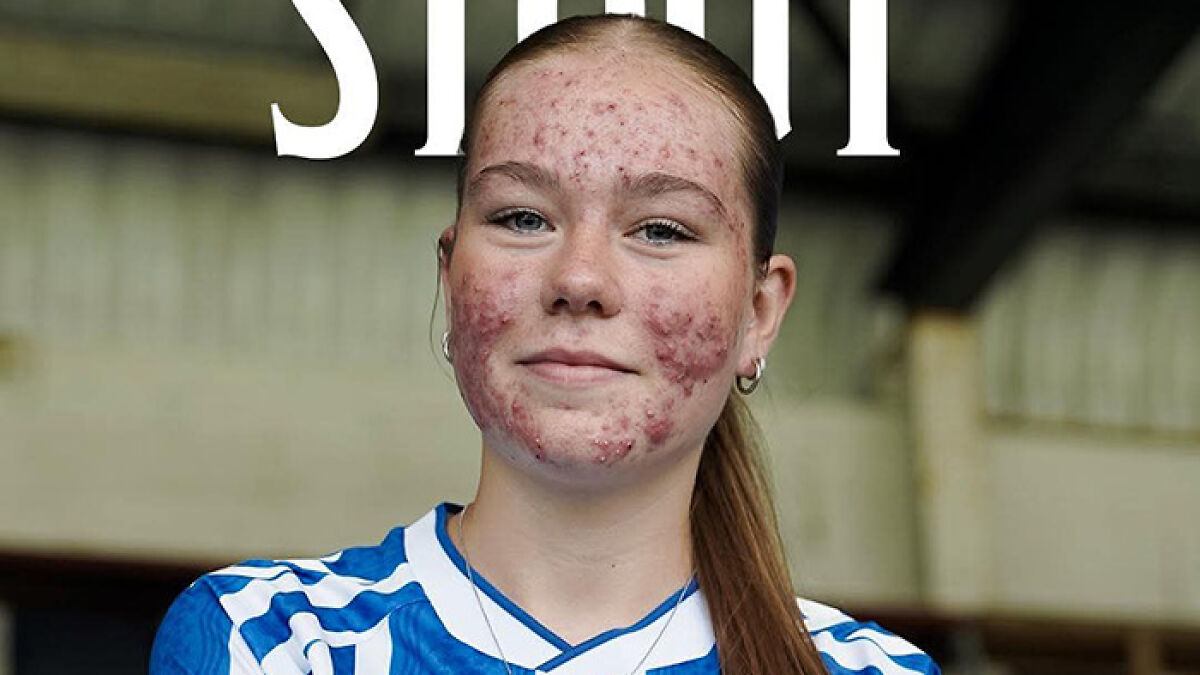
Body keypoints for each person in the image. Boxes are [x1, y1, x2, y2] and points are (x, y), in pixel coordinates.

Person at [151, 14, 940, 675]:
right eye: (523, 217)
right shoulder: (271, 642)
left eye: (661, 229)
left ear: (759, 313)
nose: (580, 278)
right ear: (450, 273)